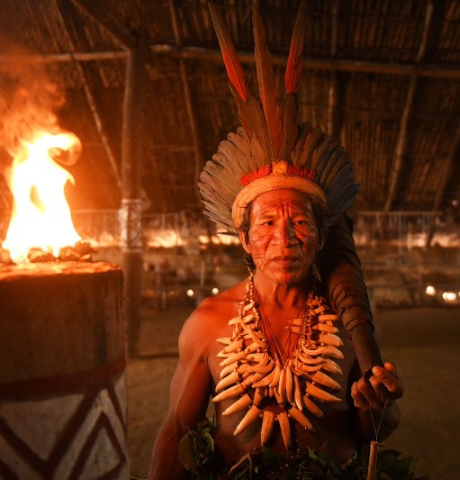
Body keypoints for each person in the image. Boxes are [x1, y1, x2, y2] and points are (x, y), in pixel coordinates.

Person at [149, 3, 404, 478]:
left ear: (321, 237)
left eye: (299, 222)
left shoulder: (348, 324)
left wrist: (377, 403)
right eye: (267, 223)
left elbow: (377, 430)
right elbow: (177, 431)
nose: (284, 238)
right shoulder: (207, 324)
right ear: (245, 239)